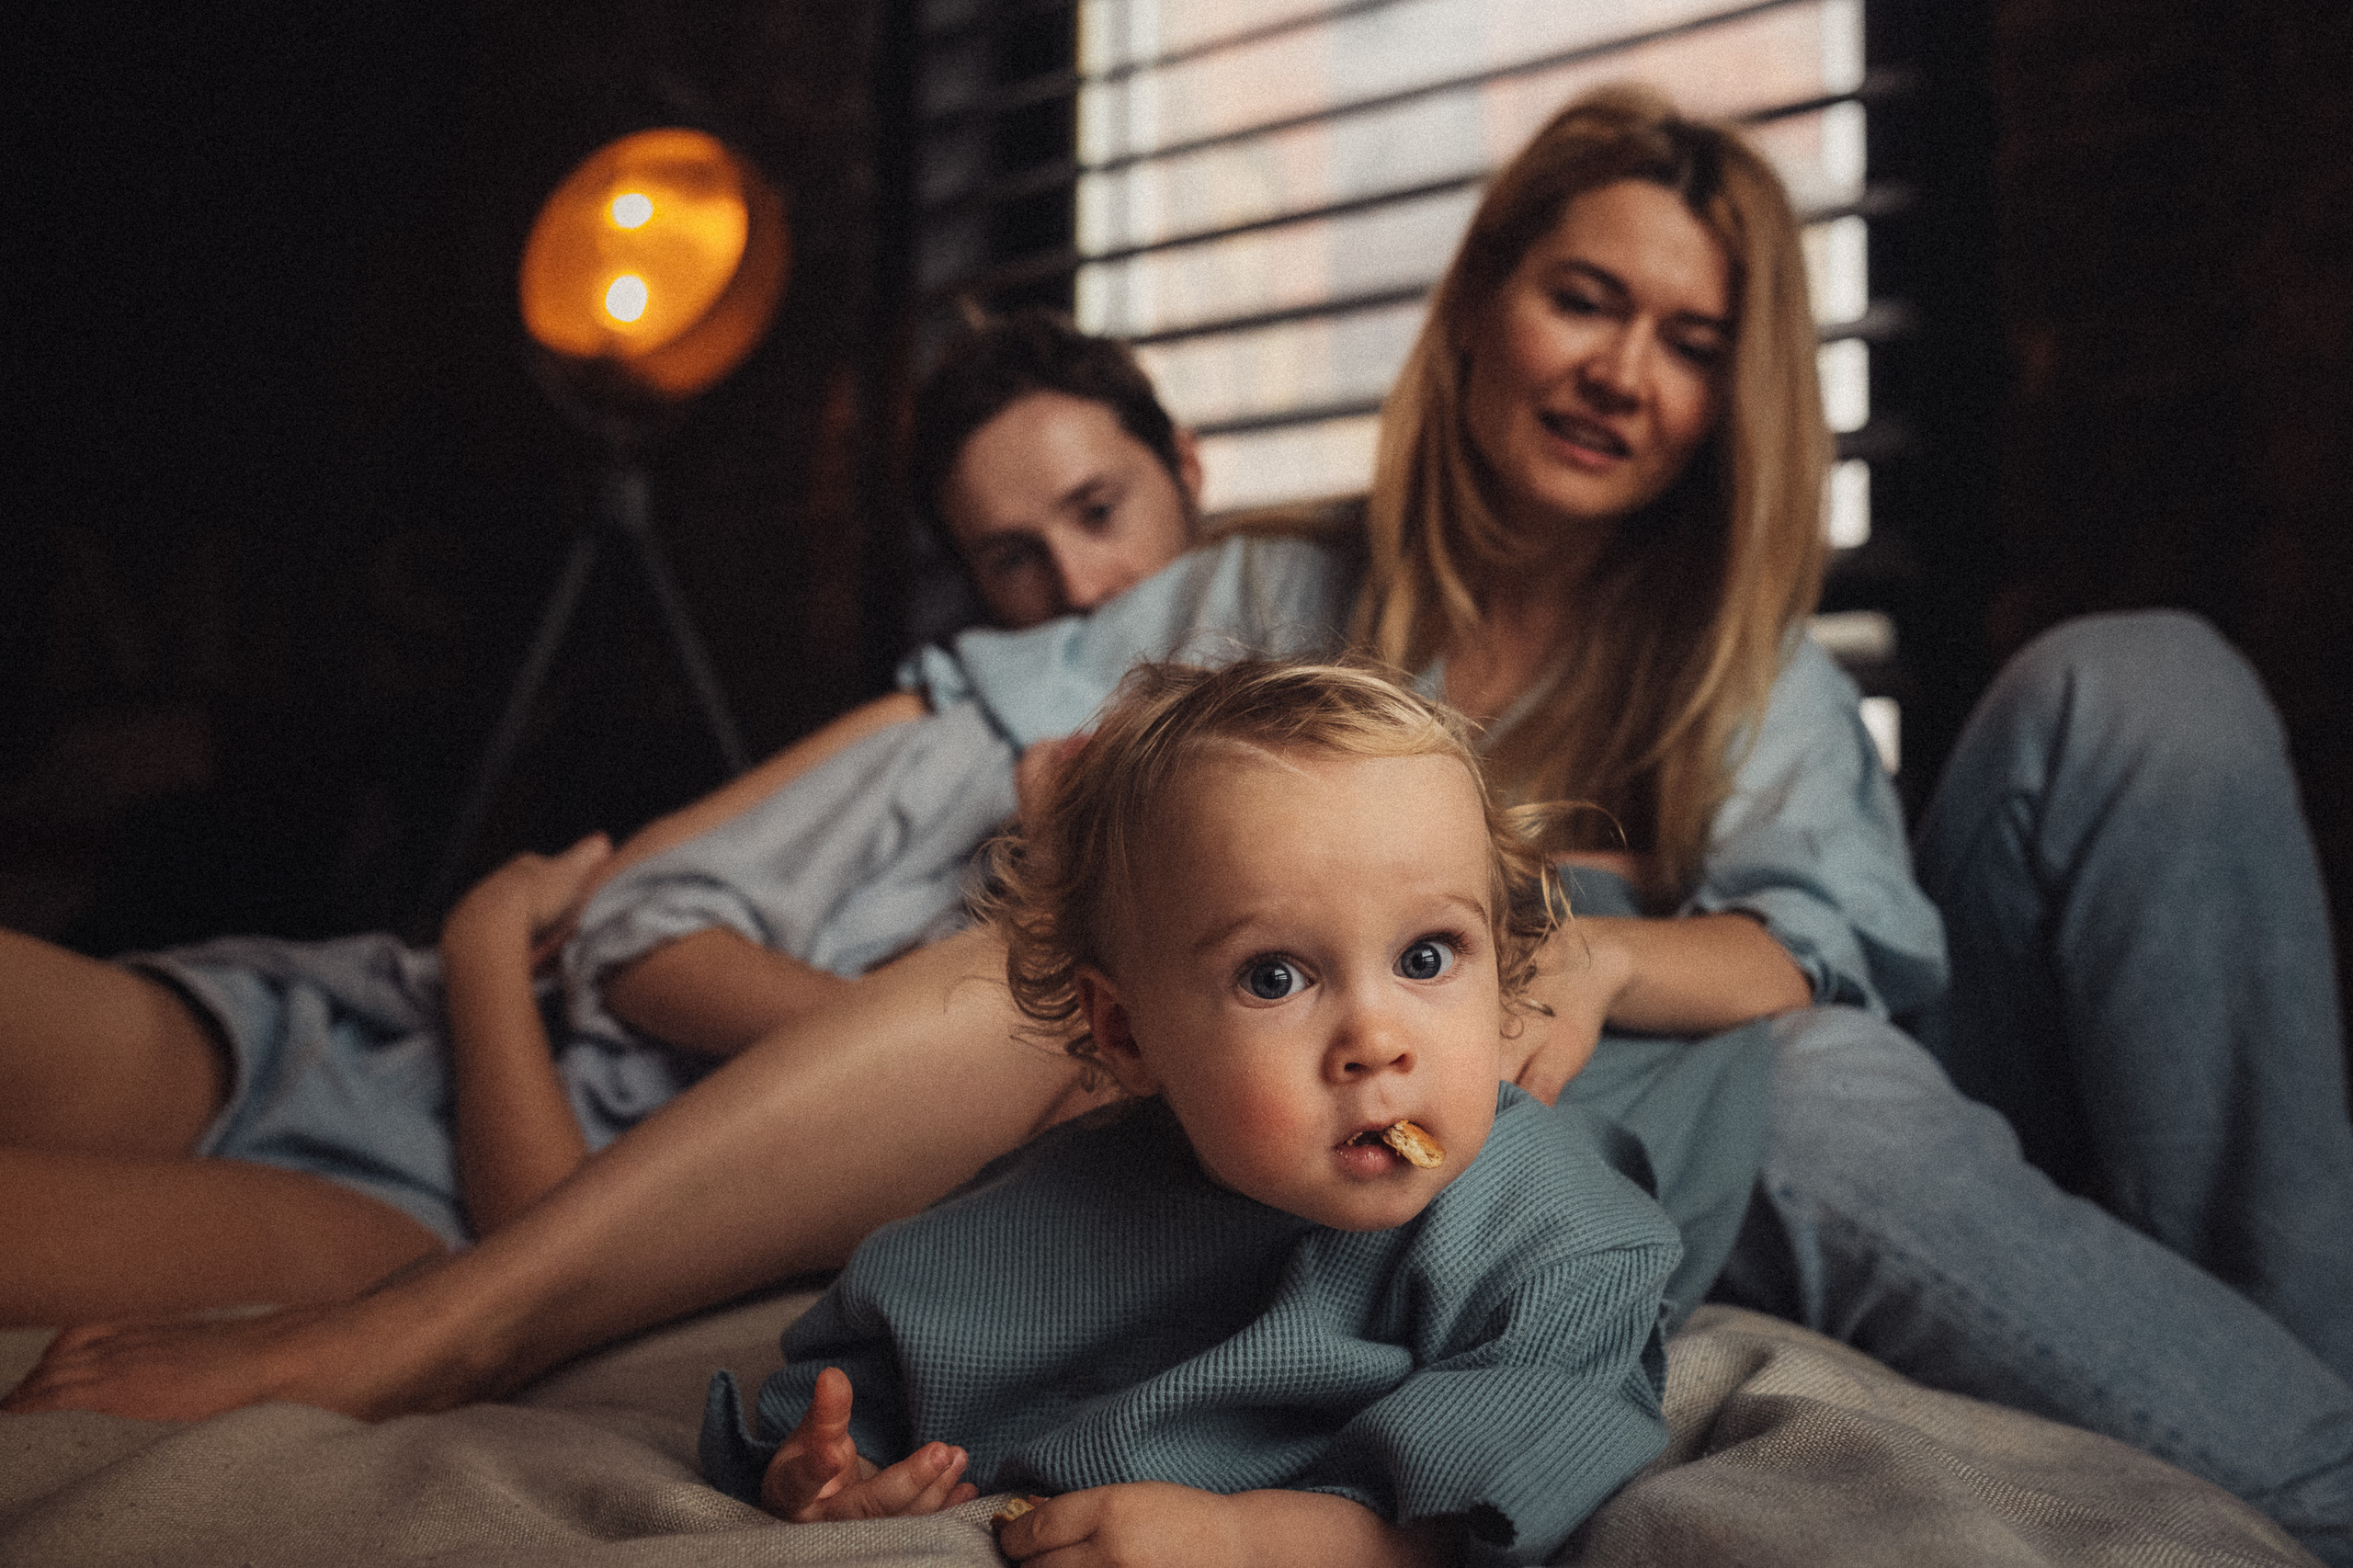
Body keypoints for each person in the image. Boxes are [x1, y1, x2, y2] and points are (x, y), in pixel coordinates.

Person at [11, 81, 2350, 1562]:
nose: (1621, 368)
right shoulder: (1239, 594)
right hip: (1482, 1087)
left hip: (1772, 1072)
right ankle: (447, 1318)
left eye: (1689, 335)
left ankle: (2287, 1378)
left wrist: (1605, 951)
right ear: (1484, 307)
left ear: (1741, 397)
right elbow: (953, 757)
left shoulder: (1730, 678)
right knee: (1137, 915)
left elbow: (1835, 957)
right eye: (1579, 295)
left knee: (2118, 698)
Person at [0, 310, 1206, 1325]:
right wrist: (882, 1061)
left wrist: (908, 1076)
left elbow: (550, 1223)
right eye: (1013, 557)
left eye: (1099, 512)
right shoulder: (960, 744)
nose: (1080, 588)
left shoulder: (1224, 935)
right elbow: (636, 916)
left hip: (428, 1212)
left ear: (1189, 472)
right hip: (352, 1028)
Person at [703, 658, 1681, 1568]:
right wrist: (828, 1471)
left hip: (1675, 1079)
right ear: (1126, 1034)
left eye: (1427, 956)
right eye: (1275, 975)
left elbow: (1544, 1427)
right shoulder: (1048, 1214)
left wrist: (1256, 1539)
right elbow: (864, 1372)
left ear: (1501, 971)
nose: (1376, 1039)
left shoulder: (1560, 1232)